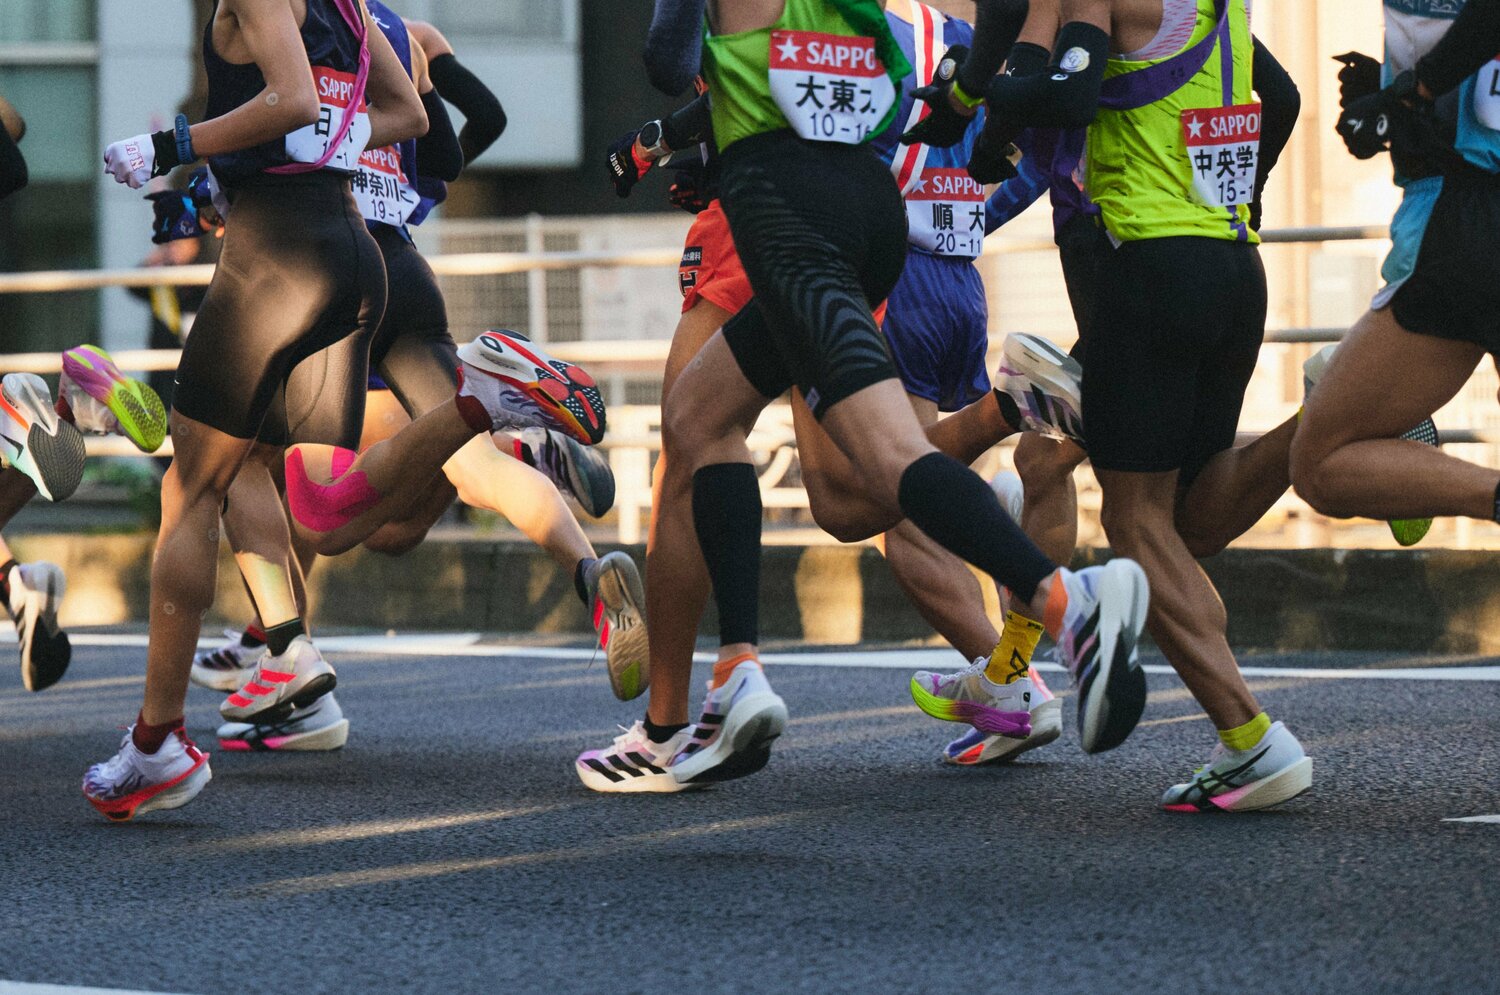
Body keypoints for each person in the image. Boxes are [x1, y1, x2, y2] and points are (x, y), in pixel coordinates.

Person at [588, 0, 1151, 794]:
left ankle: (1069, 602)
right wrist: (960, 101)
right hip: (868, 207)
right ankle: (737, 674)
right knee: (703, 419)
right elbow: (940, 49)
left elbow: (667, 59)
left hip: (787, 215)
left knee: (882, 461)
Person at [82, 0, 542, 822]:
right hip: (355, 254)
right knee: (321, 508)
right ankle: (477, 404)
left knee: (190, 490)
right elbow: (404, 114)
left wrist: (171, 146)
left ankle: (156, 745)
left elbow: (291, 101)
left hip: (273, 261)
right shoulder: (350, 7)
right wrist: (305, 150)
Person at [199, 3, 644, 752]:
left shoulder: (281, 21)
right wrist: (410, 192)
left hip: (313, 259)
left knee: (265, 471)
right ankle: (587, 571)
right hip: (401, 259)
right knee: (442, 480)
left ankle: (283, 648)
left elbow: (278, 128)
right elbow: (453, 146)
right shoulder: (409, 37)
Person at [920, 0, 1316, 811]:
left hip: (1144, 268)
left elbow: (1063, 95)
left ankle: (1251, 739)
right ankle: (1332, 408)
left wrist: (984, 115)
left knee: (1136, 525)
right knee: (1180, 518)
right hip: (1230, 263)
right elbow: (1280, 97)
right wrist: (1247, 199)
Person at [1291, 2, 1500, 625]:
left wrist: (1410, 91)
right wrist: (1391, 103)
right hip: (1457, 206)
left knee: (1322, 462)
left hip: (1462, 226)